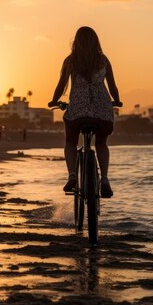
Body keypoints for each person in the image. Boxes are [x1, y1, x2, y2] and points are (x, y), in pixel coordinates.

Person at [48, 26, 121, 197]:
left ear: (76, 42)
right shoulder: (103, 60)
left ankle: (72, 175)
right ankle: (104, 179)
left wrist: (53, 100)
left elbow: (61, 86)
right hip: (102, 112)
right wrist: (116, 101)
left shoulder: (70, 61)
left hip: (78, 113)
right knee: (101, 144)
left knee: (71, 142)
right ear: (96, 41)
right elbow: (112, 86)